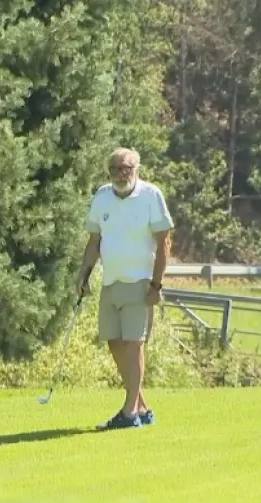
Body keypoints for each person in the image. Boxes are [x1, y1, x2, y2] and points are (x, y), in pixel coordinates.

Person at [77, 147, 173, 430]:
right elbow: (94, 241)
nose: (122, 174)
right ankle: (141, 406)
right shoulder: (102, 196)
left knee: (134, 344)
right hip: (111, 281)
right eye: (116, 169)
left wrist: (156, 285)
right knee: (114, 342)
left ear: (137, 169)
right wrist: (83, 275)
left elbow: (164, 243)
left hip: (140, 282)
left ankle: (129, 413)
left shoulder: (150, 195)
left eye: (127, 168)